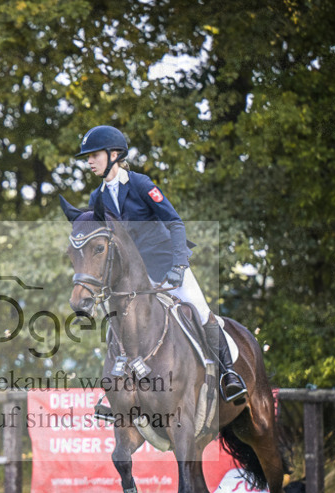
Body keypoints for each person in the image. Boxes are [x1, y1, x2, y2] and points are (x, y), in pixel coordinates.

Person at [73, 124, 246, 402]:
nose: (90, 161)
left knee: (201, 312)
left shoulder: (141, 185)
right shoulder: (98, 198)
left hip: (166, 266)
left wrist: (179, 266)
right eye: (88, 157)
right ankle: (114, 395)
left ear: (114, 154)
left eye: (94, 155)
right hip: (133, 279)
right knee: (115, 328)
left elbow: (174, 223)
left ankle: (229, 375)